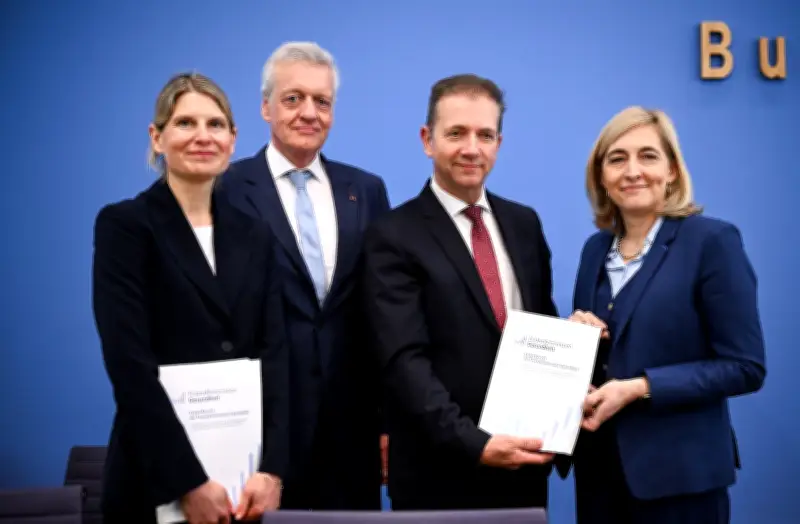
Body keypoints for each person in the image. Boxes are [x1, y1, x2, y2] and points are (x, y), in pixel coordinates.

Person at [92, 72, 288, 524]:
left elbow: (277, 356)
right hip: (156, 483)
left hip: (247, 487)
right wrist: (187, 482)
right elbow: (128, 365)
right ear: (157, 137)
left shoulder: (255, 234)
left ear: (233, 139)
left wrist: (273, 471)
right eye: (185, 123)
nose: (203, 136)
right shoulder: (125, 226)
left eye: (215, 124)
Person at [361, 73, 557, 510]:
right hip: (439, 471)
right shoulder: (392, 235)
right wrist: (476, 444)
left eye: (485, 135)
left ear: (499, 144)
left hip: (523, 464)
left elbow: (541, 329)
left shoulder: (524, 224)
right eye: (456, 133)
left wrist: (575, 341)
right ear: (427, 140)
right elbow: (403, 362)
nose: (472, 148)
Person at [566, 106, 766, 524]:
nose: (632, 171)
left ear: (672, 170)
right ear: (601, 175)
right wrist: (575, 339)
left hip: (681, 481)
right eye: (617, 159)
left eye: (648, 156)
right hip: (600, 476)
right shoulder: (594, 250)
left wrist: (641, 387)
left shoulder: (712, 241)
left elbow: (745, 367)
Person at [219, 42, 391, 510]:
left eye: (322, 101)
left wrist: (387, 422)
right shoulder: (226, 188)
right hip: (258, 432)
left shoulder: (366, 190)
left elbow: (381, 313)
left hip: (351, 431)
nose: (309, 113)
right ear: (266, 107)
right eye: (293, 99)